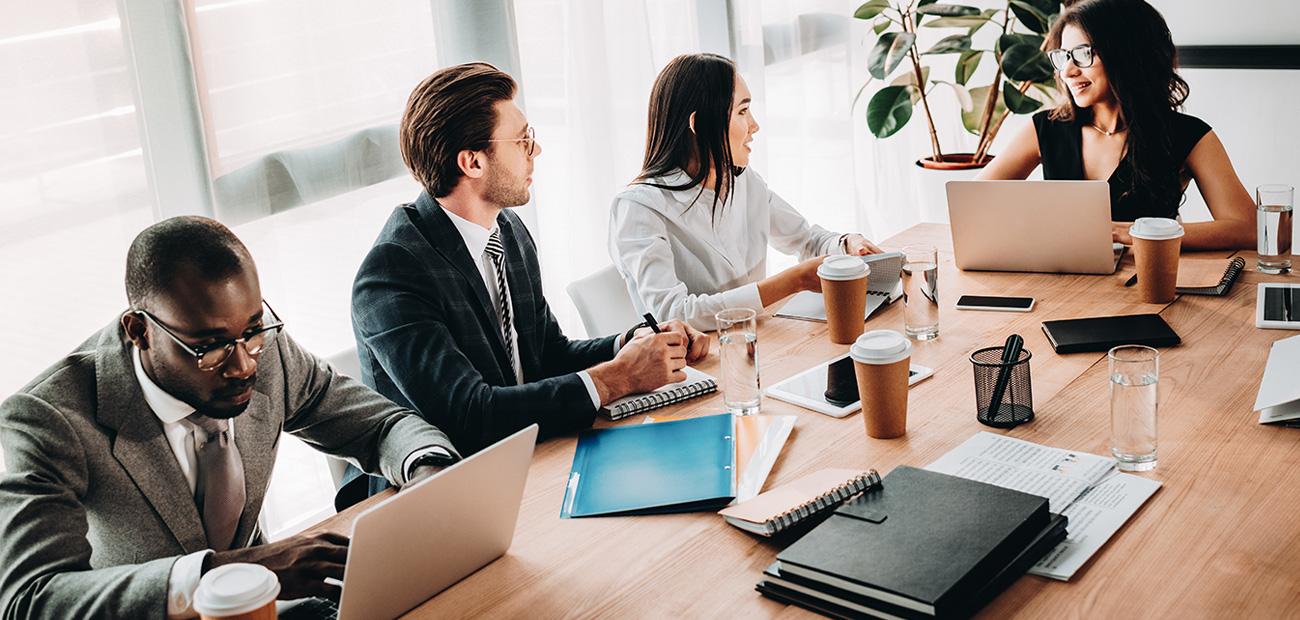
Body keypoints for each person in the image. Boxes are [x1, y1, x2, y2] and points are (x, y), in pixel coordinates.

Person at [0, 217, 460, 619]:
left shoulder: (266, 350)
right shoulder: (48, 419)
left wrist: (427, 470)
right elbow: (30, 598)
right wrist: (233, 572)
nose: (243, 365)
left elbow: (377, 425)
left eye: (253, 330)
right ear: (139, 331)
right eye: (209, 347)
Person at [351, 62, 709, 461]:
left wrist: (634, 344)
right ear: (472, 162)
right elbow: (469, 416)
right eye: (522, 140)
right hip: (442, 489)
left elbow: (546, 355)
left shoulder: (508, 229)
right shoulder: (392, 273)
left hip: (531, 453)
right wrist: (619, 376)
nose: (535, 150)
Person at [609, 53, 884, 332]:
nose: (754, 125)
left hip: (754, 340)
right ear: (699, 125)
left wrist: (846, 243)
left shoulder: (742, 181)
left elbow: (805, 240)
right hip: (697, 365)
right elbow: (673, 313)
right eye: (742, 112)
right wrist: (793, 280)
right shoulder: (639, 209)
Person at [977, 0, 1255, 251]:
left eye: (1083, 54)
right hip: (1059, 285)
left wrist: (1130, 233)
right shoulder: (1045, 128)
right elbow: (975, 205)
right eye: (1063, 56)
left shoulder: (1188, 135)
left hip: (1145, 286)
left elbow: (1250, 229)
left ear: (1129, 54)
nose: (1068, 71)